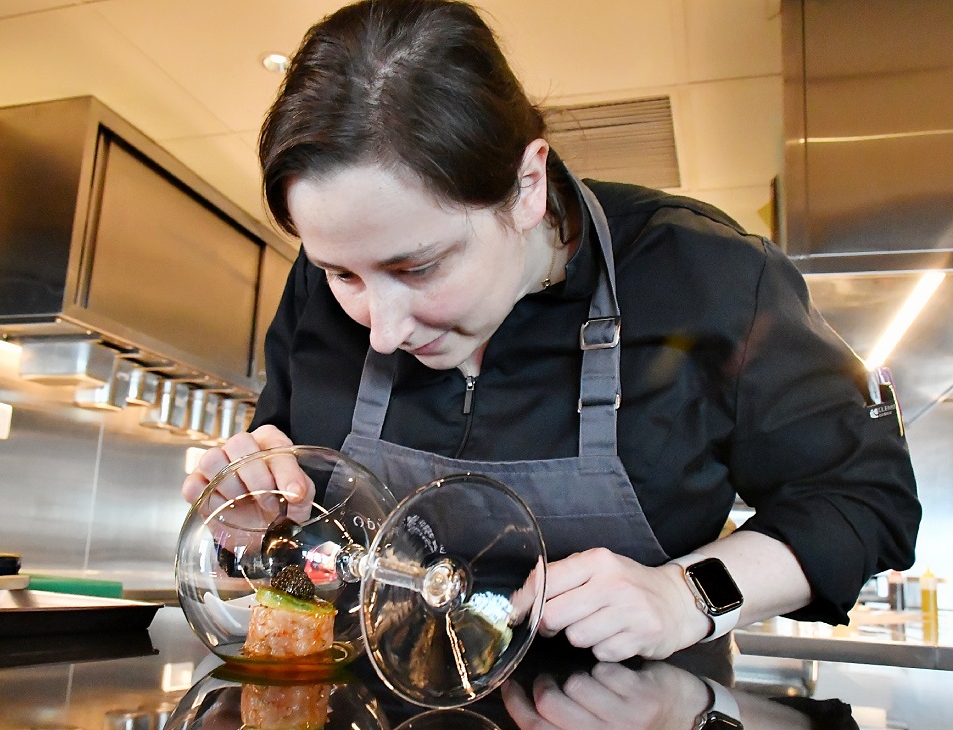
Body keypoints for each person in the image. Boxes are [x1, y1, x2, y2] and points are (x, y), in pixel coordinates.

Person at [183, 0, 920, 662]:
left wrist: (686, 596)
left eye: (419, 267)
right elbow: (294, 521)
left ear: (527, 185)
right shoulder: (320, 287)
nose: (381, 331)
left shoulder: (708, 277)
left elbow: (863, 500)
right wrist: (253, 521)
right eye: (343, 275)